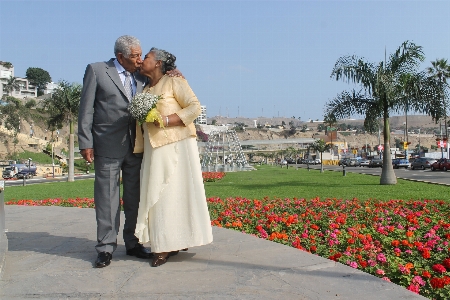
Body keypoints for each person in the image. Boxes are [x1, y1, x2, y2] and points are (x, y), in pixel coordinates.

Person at [133, 47, 213, 267]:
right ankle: (165, 241)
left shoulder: (174, 82)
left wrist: (167, 121)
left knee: (172, 195)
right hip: (153, 148)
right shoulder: (145, 88)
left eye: (146, 58)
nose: (141, 61)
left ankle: (165, 247)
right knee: (156, 195)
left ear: (158, 62)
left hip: (177, 146)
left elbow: (194, 107)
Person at [78, 35, 152, 268]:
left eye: (141, 55)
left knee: (134, 198)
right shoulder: (98, 70)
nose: (140, 60)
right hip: (106, 145)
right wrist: (85, 142)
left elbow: (163, 73)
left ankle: (133, 243)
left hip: (136, 146)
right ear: (120, 56)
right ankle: (105, 248)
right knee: (107, 199)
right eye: (135, 55)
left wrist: (175, 71)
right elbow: (86, 109)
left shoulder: (142, 76)